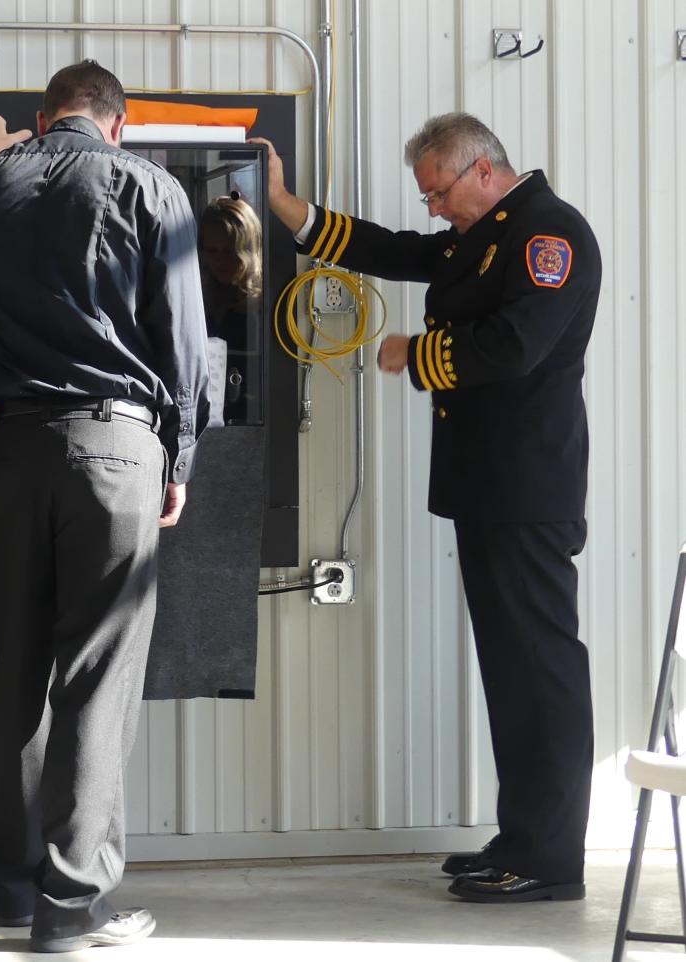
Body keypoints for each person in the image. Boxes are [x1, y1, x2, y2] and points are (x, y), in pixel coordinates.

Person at [257, 112, 600, 904]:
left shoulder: (550, 236)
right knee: (512, 673)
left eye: (440, 194)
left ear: (482, 170)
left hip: (526, 491)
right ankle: (523, 839)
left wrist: (413, 355)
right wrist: (287, 207)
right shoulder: (487, 233)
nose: (434, 211)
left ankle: (551, 858)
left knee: (540, 673)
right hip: (492, 489)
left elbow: (516, 344)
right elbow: (395, 251)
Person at [0, 59, 210, 952]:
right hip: (117, 447)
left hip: (11, 450)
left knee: (22, 672)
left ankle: (12, 884)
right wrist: (180, 455)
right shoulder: (151, 189)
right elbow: (184, 338)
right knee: (99, 682)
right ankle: (74, 908)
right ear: (116, 123)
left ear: (45, 118)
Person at [199, 195, 263, 422]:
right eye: (212, 251)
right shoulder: (202, 297)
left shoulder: (261, 308)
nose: (220, 261)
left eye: (229, 251)